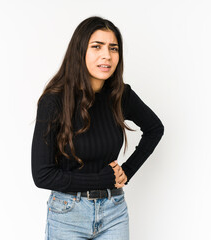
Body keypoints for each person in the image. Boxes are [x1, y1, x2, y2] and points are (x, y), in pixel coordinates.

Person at [31, 16, 164, 240]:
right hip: (67, 214)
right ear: (80, 51)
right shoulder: (54, 102)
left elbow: (155, 129)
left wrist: (127, 172)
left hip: (114, 211)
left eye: (113, 48)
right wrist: (102, 179)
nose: (107, 55)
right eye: (97, 47)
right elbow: (42, 175)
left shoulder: (121, 96)